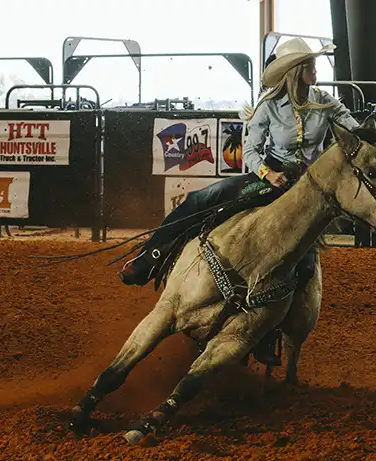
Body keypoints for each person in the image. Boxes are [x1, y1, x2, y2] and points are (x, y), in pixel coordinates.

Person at [118, 37, 360, 288]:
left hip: (309, 185)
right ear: (295, 72)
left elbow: (354, 128)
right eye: (310, 66)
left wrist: (369, 135)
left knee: (305, 265)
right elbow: (251, 152)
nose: (315, 71)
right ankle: (151, 257)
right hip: (271, 176)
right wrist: (268, 175)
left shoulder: (326, 102)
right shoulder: (268, 106)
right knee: (201, 200)